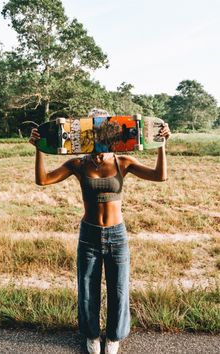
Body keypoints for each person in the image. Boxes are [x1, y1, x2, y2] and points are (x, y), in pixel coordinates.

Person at [29, 116, 171, 354]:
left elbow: (160, 176)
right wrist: (39, 149)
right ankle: (92, 335)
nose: (97, 146)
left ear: (111, 137)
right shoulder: (78, 164)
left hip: (117, 234)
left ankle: (114, 337)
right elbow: (42, 180)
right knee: (87, 288)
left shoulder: (122, 161)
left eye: (102, 137)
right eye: (92, 137)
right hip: (89, 236)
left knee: (119, 289)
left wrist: (161, 145)